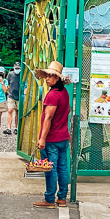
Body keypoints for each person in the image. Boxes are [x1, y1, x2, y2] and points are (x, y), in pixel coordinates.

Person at [33, 60, 70, 209]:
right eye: (47, 76)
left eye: (51, 76)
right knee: (62, 167)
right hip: (63, 137)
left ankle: (49, 198)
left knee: (50, 168)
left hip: (52, 139)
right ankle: (62, 197)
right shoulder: (65, 93)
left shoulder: (52, 95)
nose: (48, 78)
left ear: (58, 78)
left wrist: (42, 138)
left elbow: (48, 118)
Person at [5, 62, 22, 135]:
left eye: (18, 68)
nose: (17, 69)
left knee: (18, 112)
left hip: (19, 96)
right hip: (11, 95)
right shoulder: (10, 74)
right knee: (10, 110)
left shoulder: (22, 74)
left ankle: (16, 127)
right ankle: (9, 128)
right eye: (16, 68)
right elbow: (8, 84)